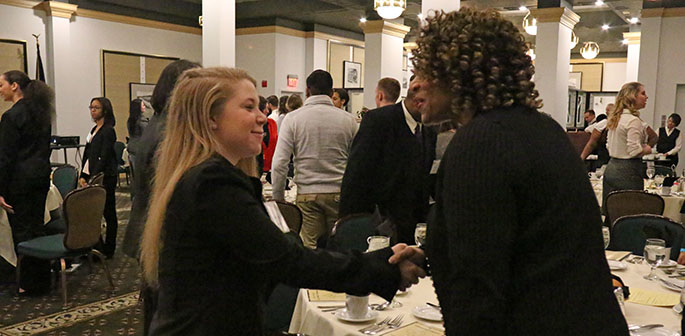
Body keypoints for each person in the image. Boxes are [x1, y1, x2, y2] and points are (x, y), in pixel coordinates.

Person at [139, 67, 425, 335]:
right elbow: (288, 260)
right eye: (248, 107)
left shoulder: (207, 176)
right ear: (211, 118)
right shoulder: (212, 182)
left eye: (259, 107)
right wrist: (383, 267)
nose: (263, 116)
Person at [404, 9, 628, 335]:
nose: (417, 85)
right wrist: (433, 253)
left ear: (462, 74)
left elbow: (477, 294)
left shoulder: (480, 142)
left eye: (428, 70)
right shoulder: (541, 127)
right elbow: (523, 245)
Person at [340, 76, 437, 244]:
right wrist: (349, 227)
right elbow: (356, 176)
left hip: (412, 227)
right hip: (380, 227)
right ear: (418, 99)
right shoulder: (379, 121)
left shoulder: (428, 129)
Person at [271, 70, 358, 248]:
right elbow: (357, 161)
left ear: (307, 90)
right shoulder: (348, 120)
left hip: (307, 194)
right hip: (339, 193)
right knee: (340, 247)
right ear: (331, 91)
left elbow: (280, 163)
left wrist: (278, 198)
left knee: (311, 250)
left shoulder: (292, 119)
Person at [0, 70, 53, 295]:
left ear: (14, 86)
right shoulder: (41, 114)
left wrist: (0, 189)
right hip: (40, 177)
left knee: (22, 233)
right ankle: (41, 279)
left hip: (19, 182)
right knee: (37, 228)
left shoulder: (11, 117)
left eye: (1, 84)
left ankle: (28, 283)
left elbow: (5, 157)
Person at [79, 97, 119, 258]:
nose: (92, 110)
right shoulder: (94, 130)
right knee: (93, 213)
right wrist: (83, 174)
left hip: (105, 177)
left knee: (108, 212)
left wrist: (93, 177)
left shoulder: (108, 130)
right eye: (91, 107)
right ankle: (98, 246)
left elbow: (103, 156)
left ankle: (109, 248)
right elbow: (89, 156)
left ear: (105, 110)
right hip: (94, 175)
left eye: (96, 107)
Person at [603, 82, 652, 206]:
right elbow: (634, 150)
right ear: (632, 96)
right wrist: (648, 149)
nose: (646, 97)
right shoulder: (633, 121)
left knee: (612, 211)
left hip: (611, 168)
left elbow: (608, 145)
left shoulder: (616, 118)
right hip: (628, 172)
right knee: (630, 211)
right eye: (643, 93)